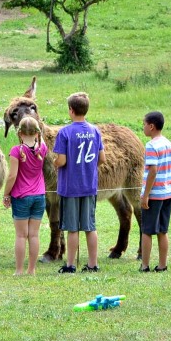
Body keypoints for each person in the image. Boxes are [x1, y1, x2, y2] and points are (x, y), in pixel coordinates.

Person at [53, 92, 105, 274]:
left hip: (70, 188)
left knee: (73, 228)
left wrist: (54, 162)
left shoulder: (64, 132)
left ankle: (70, 265)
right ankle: (92, 264)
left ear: (71, 110)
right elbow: (102, 159)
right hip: (89, 186)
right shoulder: (95, 131)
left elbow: (62, 160)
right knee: (90, 226)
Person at [1, 116, 48, 275]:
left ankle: (19, 270)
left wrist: (6, 193)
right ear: (37, 133)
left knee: (21, 236)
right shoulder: (43, 149)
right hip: (39, 196)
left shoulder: (16, 151)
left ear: (20, 133)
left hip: (21, 196)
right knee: (34, 235)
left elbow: (12, 176)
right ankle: (32, 270)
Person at [139, 110, 171, 272]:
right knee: (163, 230)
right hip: (168, 193)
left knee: (147, 231)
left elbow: (153, 170)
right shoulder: (169, 144)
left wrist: (146, 194)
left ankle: (145, 265)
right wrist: (167, 183)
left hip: (154, 195)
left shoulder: (151, 146)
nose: (143, 128)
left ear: (151, 126)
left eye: (144, 124)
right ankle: (162, 265)